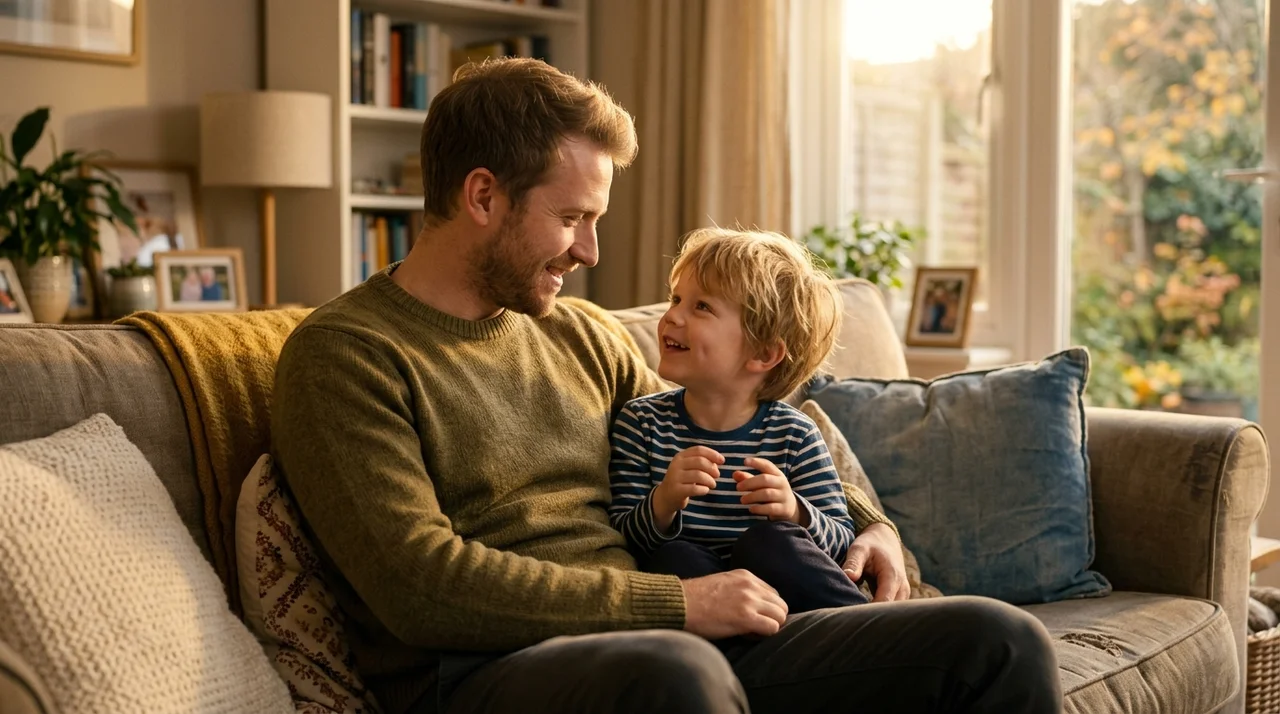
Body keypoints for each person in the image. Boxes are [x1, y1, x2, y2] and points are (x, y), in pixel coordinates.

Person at [271, 57, 1063, 714]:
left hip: (680, 639)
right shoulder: (348, 356)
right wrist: (681, 606)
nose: (590, 252)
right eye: (574, 218)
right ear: (482, 196)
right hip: (491, 672)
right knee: (679, 676)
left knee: (998, 642)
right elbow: (422, 586)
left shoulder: (577, 334)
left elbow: (724, 419)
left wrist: (869, 523)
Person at [609, 228, 870, 616]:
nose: (671, 317)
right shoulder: (642, 423)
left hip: (792, 611)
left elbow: (841, 542)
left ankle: (867, 626)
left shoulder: (794, 434)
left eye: (701, 307)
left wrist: (795, 511)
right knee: (675, 558)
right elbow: (623, 538)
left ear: (764, 354)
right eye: (676, 299)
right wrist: (663, 502)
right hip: (707, 614)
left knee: (771, 542)